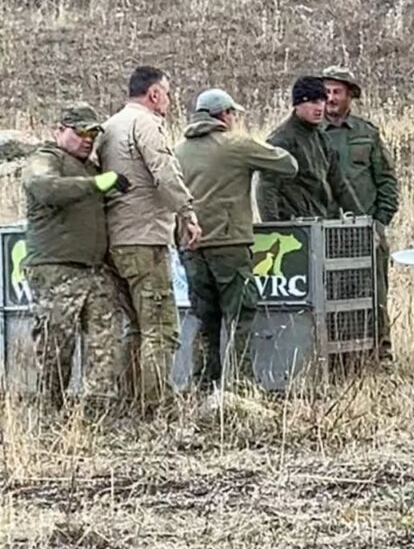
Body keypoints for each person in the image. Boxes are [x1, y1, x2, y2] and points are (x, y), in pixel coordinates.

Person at [176, 88, 298, 392]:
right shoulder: (235, 145)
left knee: (205, 318)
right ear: (225, 115)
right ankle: (240, 384)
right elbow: (287, 164)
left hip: (191, 246)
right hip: (229, 244)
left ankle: (204, 383)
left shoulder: (178, 150)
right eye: (233, 114)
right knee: (241, 314)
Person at [95, 65, 201, 411]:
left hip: (115, 240)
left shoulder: (109, 127)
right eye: (167, 93)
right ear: (154, 94)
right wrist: (187, 212)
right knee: (160, 328)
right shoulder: (146, 124)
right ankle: (157, 403)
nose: (169, 100)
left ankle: (129, 397)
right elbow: (164, 173)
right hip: (144, 237)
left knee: (135, 327)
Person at [21, 103, 131, 411]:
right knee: (56, 347)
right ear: (59, 130)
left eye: (93, 133)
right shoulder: (45, 160)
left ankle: (98, 414)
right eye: (80, 131)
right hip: (57, 269)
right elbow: (44, 188)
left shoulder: (91, 168)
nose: (87, 139)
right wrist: (96, 184)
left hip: (95, 271)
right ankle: (50, 413)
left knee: (104, 343)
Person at [321, 66, 400, 362]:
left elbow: (387, 180)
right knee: (329, 294)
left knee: (374, 292)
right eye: (325, 92)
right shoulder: (311, 134)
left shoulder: (367, 133)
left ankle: (379, 354)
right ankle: (336, 357)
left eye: (336, 92)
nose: (330, 98)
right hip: (326, 230)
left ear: (350, 95)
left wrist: (379, 222)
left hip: (364, 227)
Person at [256, 75, 343, 221]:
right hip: (294, 228)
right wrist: (273, 229)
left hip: (320, 222)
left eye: (322, 101)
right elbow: (266, 189)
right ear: (297, 105)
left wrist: (360, 217)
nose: (320, 108)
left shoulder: (323, 139)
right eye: (313, 102)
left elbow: (339, 184)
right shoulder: (281, 140)